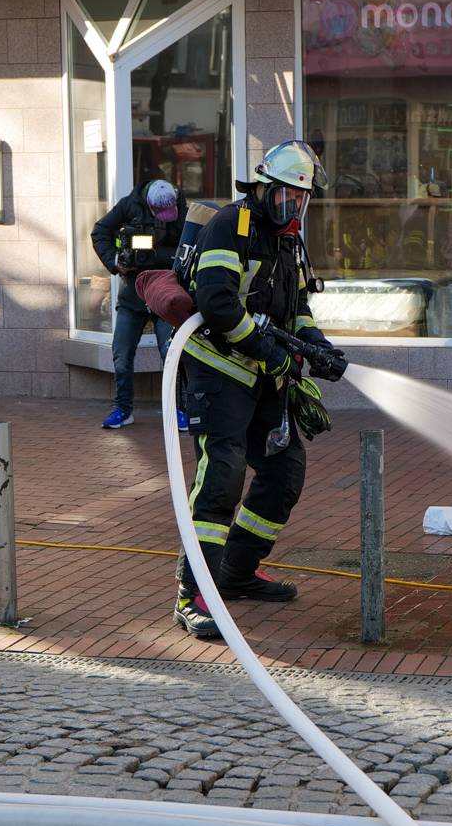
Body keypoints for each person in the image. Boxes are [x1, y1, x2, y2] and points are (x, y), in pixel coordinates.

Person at [170, 140, 347, 640]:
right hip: (218, 372)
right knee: (220, 479)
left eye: (300, 199)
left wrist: (317, 346)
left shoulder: (288, 240)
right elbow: (218, 303)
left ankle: (236, 572)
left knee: (283, 473)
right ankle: (192, 594)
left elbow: (296, 309)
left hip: (263, 375)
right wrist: (271, 353)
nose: (292, 206)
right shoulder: (231, 225)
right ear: (264, 187)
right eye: (286, 195)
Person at [92, 178, 185, 430]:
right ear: (149, 205)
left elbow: (190, 246)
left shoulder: (182, 209)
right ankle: (123, 409)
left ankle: (179, 409)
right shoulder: (129, 205)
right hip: (133, 292)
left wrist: (157, 254)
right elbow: (100, 231)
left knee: (172, 353)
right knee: (121, 353)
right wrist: (115, 261)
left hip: (166, 291)